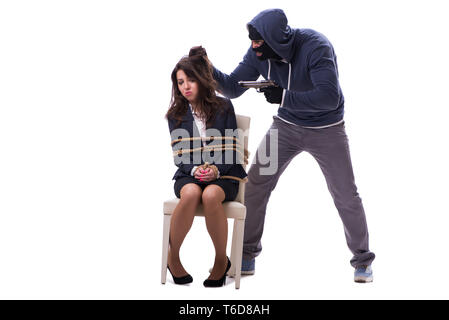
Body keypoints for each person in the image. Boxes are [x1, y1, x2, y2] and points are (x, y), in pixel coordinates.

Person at [212, 9, 376, 283]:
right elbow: (232, 87)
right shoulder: (257, 53)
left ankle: (362, 260)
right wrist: (206, 68)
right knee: (255, 184)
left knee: (346, 194)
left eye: (258, 41)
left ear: (275, 39)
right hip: (286, 128)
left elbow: (329, 97)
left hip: (327, 129)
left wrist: (284, 96)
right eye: (252, 40)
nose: (253, 46)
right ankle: (247, 254)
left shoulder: (316, 46)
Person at [166, 46, 247, 287]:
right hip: (189, 173)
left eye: (191, 80)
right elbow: (179, 153)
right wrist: (195, 170)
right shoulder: (175, 115)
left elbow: (233, 147)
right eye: (180, 82)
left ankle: (221, 261)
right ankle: (173, 258)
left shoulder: (223, 107)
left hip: (224, 174)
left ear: (201, 80)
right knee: (191, 192)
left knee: (211, 194)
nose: (186, 86)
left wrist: (215, 170)